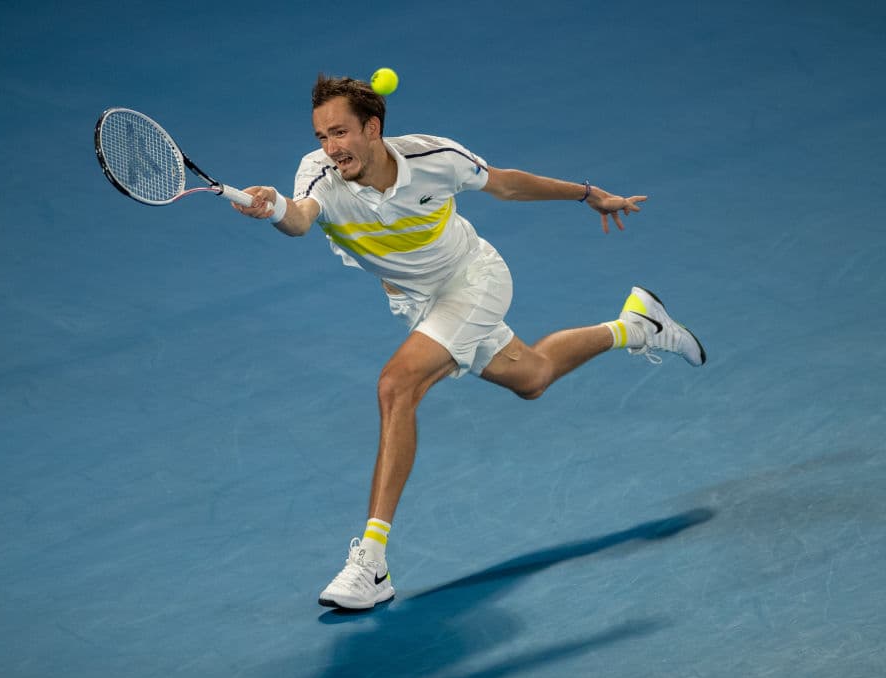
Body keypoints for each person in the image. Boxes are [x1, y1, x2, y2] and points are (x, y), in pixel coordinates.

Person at [233, 74, 705, 610]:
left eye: (339, 133)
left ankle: (372, 562)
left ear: (372, 127)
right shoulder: (318, 173)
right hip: (417, 304)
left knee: (397, 385)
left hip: (472, 281)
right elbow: (299, 220)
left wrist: (589, 194)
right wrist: (273, 208)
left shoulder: (436, 157)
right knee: (532, 377)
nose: (330, 148)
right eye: (321, 136)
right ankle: (639, 324)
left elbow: (506, 183)